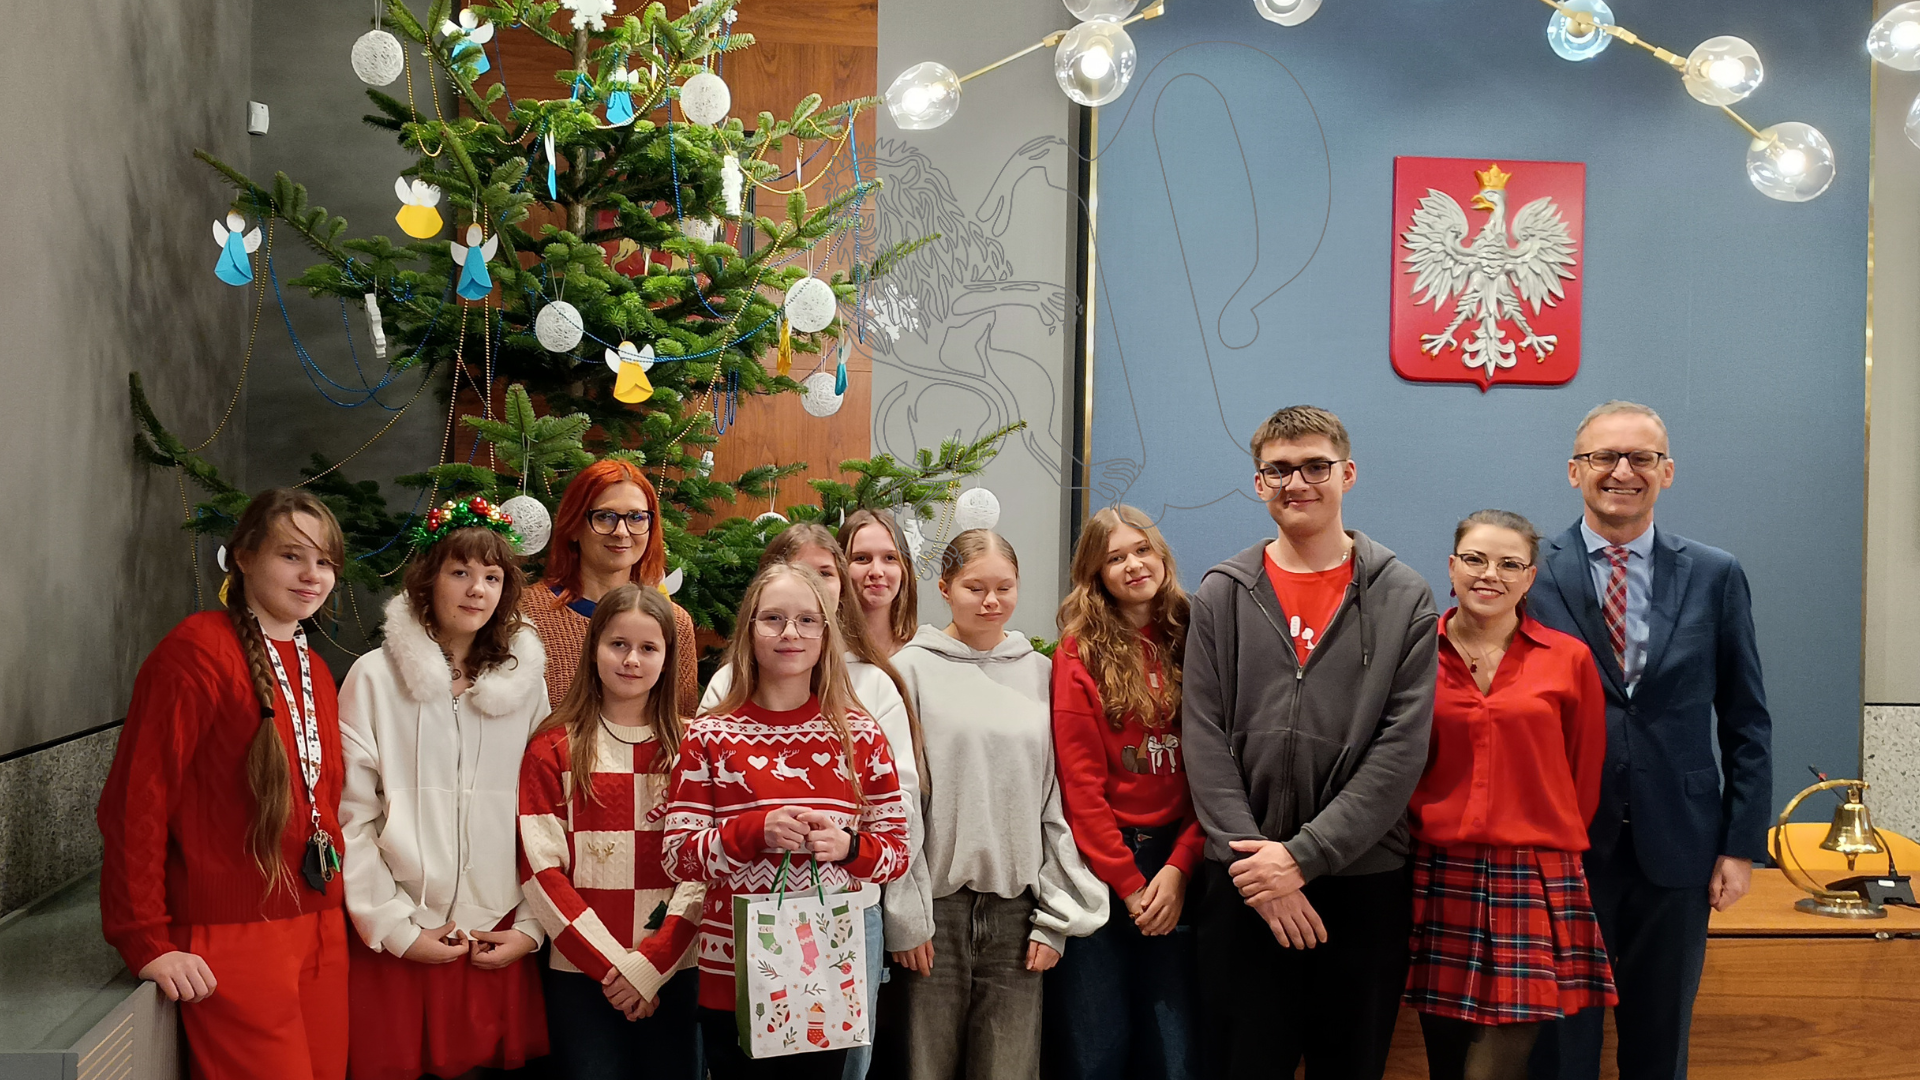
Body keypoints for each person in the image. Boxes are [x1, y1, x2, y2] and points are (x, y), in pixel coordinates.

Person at [1181, 404, 1439, 1080]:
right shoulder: (1222, 594)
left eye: (1315, 467)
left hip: (1361, 882)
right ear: (1259, 483)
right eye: (1279, 470)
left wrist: (1302, 859)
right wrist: (1260, 869)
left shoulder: (1404, 597)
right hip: (1243, 883)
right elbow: (1202, 736)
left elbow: (1400, 750)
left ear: (1347, 474)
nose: (1296, 482)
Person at [1526, 401, 1772, 1080]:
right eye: (1604, 456)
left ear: (1667, 471)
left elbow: (1747, 719)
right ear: (1574, 470)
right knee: (1559, 1050)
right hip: (1564, 846)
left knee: (1659, 1047)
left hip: (1680, 847)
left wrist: (1740, 845)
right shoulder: (1528, 569)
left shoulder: (1716, 574)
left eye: (1641, 457)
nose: (1622, 471)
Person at [97, 489, 351, 1080]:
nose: (312, 575)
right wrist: (145, 938)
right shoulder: (195, 652)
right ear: (243, 556)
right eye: (291, 556)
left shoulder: (314, 667)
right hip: (234, 934)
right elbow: (136, 802)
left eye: (324, 561)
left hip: (320, 922)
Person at [662, 562, 912, 1080]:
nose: (790, 633)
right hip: (734, 976)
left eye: (807, 620)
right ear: (749, 631)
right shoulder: (709, 735)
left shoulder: (859, 734)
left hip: (825, 975)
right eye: (773, 618)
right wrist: (754, 831)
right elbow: (678, 855)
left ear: (826, 633)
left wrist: (848, 847)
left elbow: (896, 852)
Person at [337, 497, 550, 1079]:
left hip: (494, 932)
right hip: (400, 933)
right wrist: (394, 928)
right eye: (460, 572)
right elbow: (350, 818)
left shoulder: (524, 687)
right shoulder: (374, 678)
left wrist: (530, 927)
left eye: (492, 577)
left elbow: (545, 815)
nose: (477, 589)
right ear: (428, 579)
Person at [889, 529, 1109, 1080]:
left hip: (1018, 913)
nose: (991, 601)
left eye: (1004, 588)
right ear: (945, 588)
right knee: (925, 1069)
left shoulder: (1040, 673)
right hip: (936, 910)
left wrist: (1056, 920)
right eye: (975, 587)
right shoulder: (909, 670)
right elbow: (899, 803)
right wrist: (907, 916)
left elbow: (1057, 802)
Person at [1406, 510, 1616, 1080]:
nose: (1489, 574)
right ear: (1452, 568)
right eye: (1475, 559)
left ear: (1529, 578)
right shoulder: (1414, 653)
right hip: (1439, 869)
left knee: (1497, 1067)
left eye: (1508, 564)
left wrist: (1547, 840)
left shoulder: (1568, 658)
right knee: (1446, 1059)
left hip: (1533, 872)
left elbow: (1583, 773)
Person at [520, 584, 705, 1079]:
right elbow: (541, 871)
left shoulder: (693, 747)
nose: (631, 660)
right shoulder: (552, 748)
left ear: (668, 658)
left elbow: (704, 870)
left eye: (648, 648)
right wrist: (613, 968)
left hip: (673, 970)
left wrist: (649, 966)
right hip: (581, 974)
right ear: (594, 647)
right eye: (618, 644)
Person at [1046, 506, 1204, 1080]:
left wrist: (1180, 867)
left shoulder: (1196, 635)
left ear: (1161, 555)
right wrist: (1131, 885)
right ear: (1095, 573)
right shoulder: (1078, 653)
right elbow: (1080, 787)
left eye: (1142, 550)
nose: (1134, 565)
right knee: (1098, 1044)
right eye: (1115, 558)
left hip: (1183, 860)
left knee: (1176, 1047)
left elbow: (1218, 770)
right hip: (1103, 864)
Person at [519, 459, 698, 713]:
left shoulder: (674, 622)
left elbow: (681, 725)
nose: (621, 532)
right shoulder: (526, 612)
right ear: (574, 527)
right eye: (604, 516)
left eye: (636, 517)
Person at [839, 508, 919, 657]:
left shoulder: (920, 653)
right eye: (861, 558)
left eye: (890, 558)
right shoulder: (823, 654)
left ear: (904, 570)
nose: (876, 571)